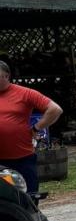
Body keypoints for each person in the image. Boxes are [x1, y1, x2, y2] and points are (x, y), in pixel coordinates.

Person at [0, 60, 63, 194]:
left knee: (29, 197)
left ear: (6, 76)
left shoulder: (24, 93)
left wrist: (36, 128)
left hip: (22, 158)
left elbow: (55, 109)